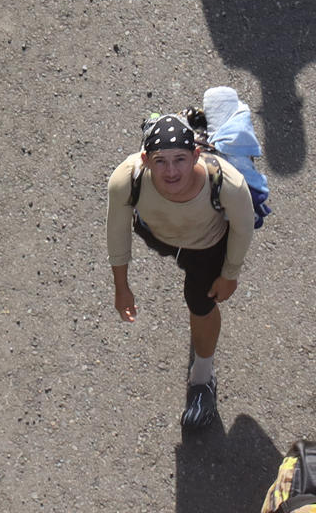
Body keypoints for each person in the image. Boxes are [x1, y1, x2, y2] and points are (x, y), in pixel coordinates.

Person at [106, 113, 257, 429]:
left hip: (207, 247)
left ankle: (202, 379)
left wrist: (230, 273)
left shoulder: (228, 184)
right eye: (160, 161)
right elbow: (117, 231)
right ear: (145, 159)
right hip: (158, 233)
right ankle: (186, 125)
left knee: (200, 305)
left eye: (180, 159)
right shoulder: (126, 179)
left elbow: (243, 228)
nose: (171, 171)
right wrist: (121, 286)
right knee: (174, 255)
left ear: (197, 156)